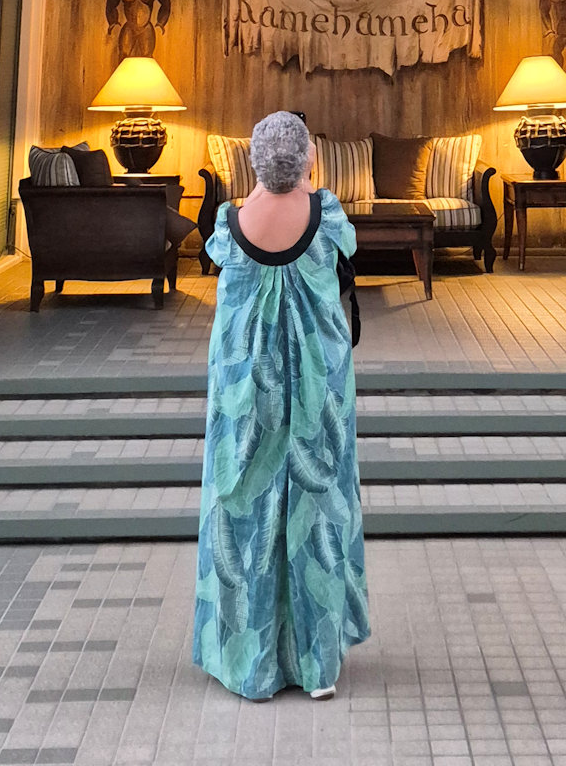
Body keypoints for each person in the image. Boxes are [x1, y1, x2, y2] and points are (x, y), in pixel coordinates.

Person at [195, 110, 369, 700]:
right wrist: (305, 186)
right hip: (319, 388)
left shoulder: (231, 225)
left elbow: (223, 261)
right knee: (316, 511)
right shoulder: (327, 216)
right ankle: (316, 663)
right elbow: (347, 249)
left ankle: (251, 662)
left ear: (254, 162)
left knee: (243, 507)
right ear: (308, 157)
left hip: (247, 394)